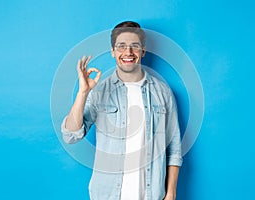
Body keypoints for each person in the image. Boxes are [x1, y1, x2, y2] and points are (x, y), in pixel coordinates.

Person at [61, 21, 182, 200]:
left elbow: (174, 148)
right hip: (107, 195)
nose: (128, 53)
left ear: (143, 51)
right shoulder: (99, 91)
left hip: (152, 195)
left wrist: (171, 193)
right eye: (121, 46)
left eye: (134, 46)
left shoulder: (162, 91)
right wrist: (83, 92)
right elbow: (71, 135)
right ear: (113, 51)